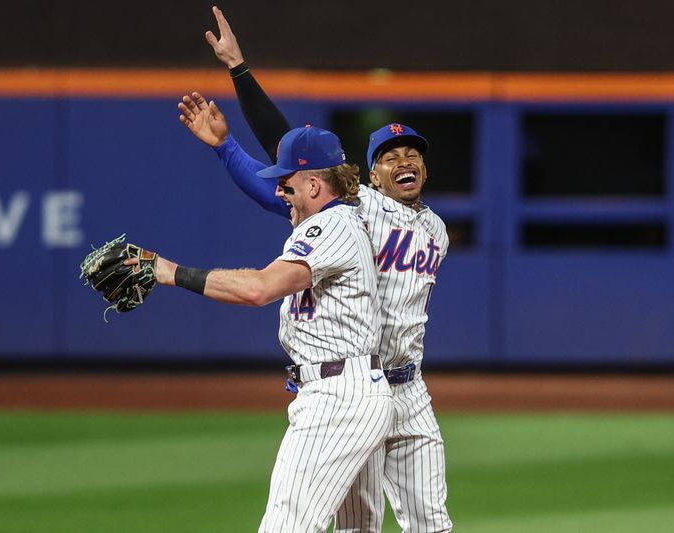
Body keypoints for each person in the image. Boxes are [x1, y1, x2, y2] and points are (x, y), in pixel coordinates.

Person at [176, 7, 454, 532]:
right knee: (356, 524)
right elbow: (285, 162)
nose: (403, 161)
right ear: (368, 174)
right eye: (390, 155)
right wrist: (238, 70)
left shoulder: (437, 230)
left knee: (432, 524)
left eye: (411, 153)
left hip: (408, 386)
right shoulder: (359, 208)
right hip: (363, 379)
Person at [134, 125, 395, 532]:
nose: (278, 192)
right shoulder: (345, 219)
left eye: (285, 183)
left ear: (313, 185)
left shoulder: (330, 227)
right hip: (357, 390)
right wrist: (226, 146)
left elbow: (259, 289)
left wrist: (169, 272)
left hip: (339, 400)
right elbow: (262, 192)